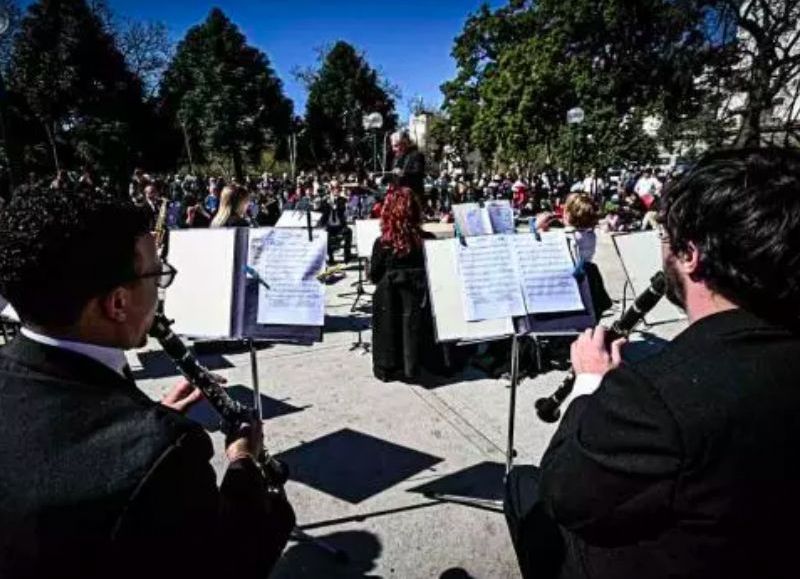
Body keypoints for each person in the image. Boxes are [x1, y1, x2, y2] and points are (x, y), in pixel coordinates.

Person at [504, 147, 800, 579]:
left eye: (667, 238)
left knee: (526, 489)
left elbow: (566, 494)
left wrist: (589, 383)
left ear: (692, 256)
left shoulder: (654, 396)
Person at [0, 182, 294, 579]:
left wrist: (131, 424)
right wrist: (244, 461)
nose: (159, 291)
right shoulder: (165, 454)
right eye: (157, 276)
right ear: (118, 303)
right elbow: (232, 559)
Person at [370, 187, 439, 382]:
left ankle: (390, 366)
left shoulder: (382, 243)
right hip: (419, 303)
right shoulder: (427, 240)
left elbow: (375, 276)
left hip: (389, 304)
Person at [319, 180, 353, 264]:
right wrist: (326, 204)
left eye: (337, 188)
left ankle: (347, 256)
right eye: (333, 188)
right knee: (324, 234)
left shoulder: (342, 200)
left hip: (339, 226)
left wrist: (336, 205)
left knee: (349, 231)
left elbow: (343, 210)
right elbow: (321, 213)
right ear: (330, 189)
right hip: (329, 226)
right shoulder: (324, 200)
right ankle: (330, 258)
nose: (336, 190)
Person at [390, 130, 426, 200]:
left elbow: (418, 173)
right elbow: (393, 178)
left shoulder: (416, 155)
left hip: (412, 198)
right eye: (393, 146)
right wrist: (382, 178)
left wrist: (403, 173)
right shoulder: (396, 159)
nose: (393, 149)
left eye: (396, 146)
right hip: (397, 197)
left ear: (404, 144)